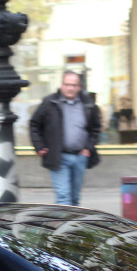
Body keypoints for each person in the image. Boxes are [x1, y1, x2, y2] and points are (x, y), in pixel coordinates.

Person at [29, 70, 101, 206]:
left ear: (79, 87)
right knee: (63, 197)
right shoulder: (50, 102)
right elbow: (35, 124)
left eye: (74, 85)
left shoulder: (88, 104)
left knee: (74, 198)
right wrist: (39, 146)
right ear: (61, 85)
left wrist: (88, 148)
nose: (70, 88)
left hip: (80, 157)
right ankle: (64, 226)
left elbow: (95, 128)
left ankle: (72, 226)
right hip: (58, 156)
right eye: (67, 84)